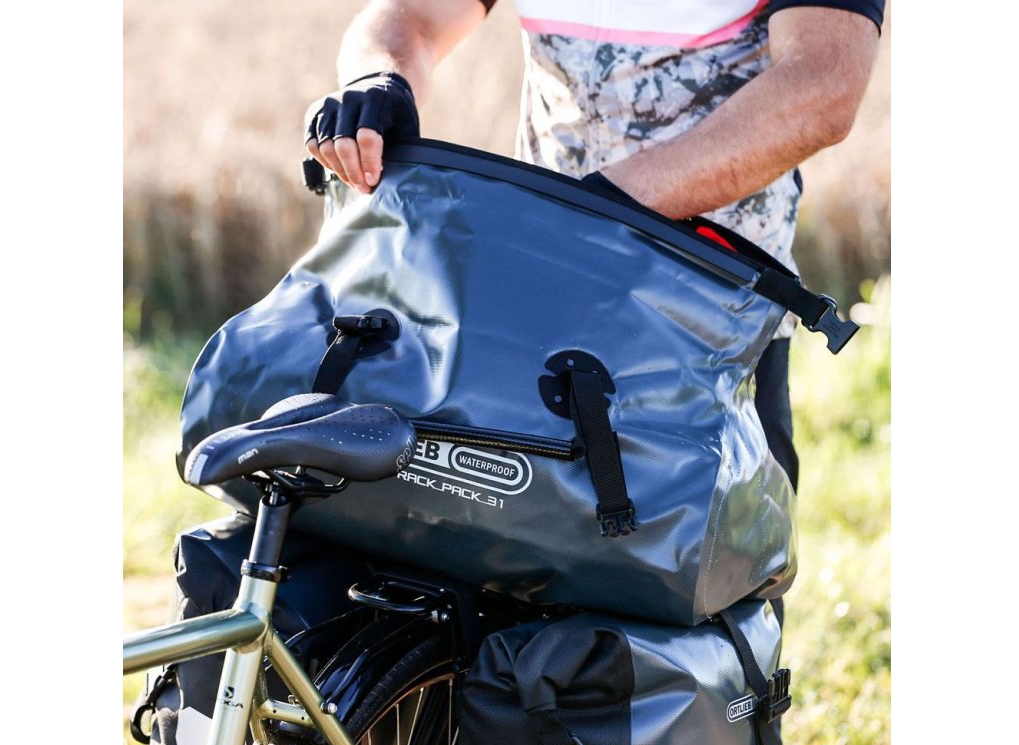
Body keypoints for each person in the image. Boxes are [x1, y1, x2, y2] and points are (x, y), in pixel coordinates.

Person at [303, 0, 884, 492]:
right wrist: (378, 77)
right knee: (496, 559)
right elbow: (413, 17)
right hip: (541, 305)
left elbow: (822, 84)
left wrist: (600, 210)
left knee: (717, 573)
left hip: (707, 327)